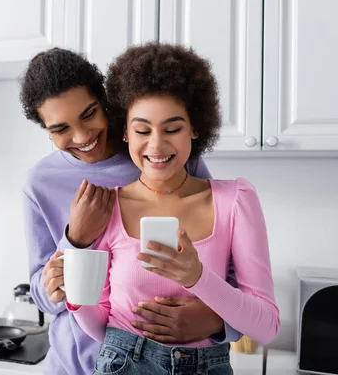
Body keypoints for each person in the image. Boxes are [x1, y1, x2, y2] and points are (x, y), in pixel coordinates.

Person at [19, 48, 241, 375]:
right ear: (46, 130)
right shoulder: (40, 183)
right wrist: (75, 239)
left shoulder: (161, 154)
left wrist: (218, 320)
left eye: (89, 113)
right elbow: (41, 294)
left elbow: (231, 266)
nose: (81, 137)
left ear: (106, 102)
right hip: (75, 366)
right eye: (60, 129)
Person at [66, 42, 280, 374]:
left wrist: (198, 280)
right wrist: (74, 294)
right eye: (141, 130)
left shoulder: (235, 200)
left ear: (195, 127)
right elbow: (101, 326)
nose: (156, 144)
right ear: (125, 131)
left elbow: (267, 326)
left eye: (172, 129)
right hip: (123, 364)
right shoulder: (107, 206)